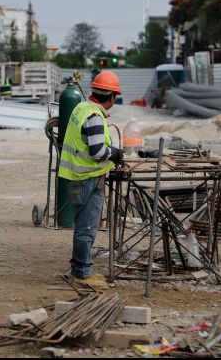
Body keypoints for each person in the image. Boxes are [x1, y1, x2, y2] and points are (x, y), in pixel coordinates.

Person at [58, 70, 124, 290]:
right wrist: (114, 153)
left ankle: (79, 268)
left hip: (75, 177)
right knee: (86, 227)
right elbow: (97, 151)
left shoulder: (81, 107)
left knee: (81, 225)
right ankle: (82, 274)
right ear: (112, 97)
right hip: (87, 178)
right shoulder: (94, 115)